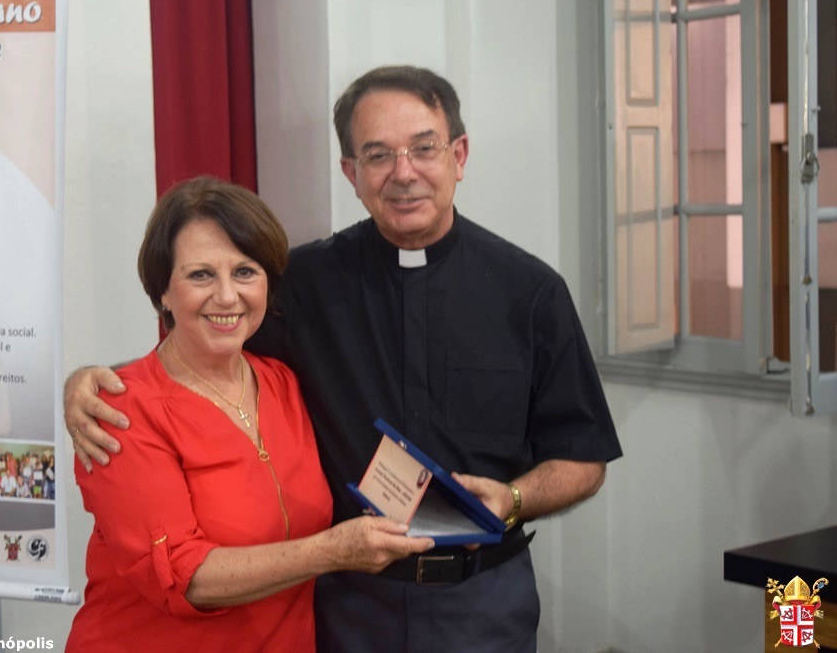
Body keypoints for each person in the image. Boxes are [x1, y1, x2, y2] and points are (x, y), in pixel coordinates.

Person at [65, 66, 623, 652]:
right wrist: (86, 383)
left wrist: (513, 499)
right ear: (351, 174)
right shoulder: (301, 284)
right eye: (378, 155)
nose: (403, 173)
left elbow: (583, 458)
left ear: (458, 155)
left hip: (482, 601)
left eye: (424, 148)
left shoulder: (531, 293)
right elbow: (201, 350)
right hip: (345, 603)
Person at [64, 176, 433, 652]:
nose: (226, 296)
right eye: (201, 275)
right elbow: (185, 577)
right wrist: (332, 551)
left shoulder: (283, 383)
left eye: (244, 272)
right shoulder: (119, 411)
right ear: (162, 292)